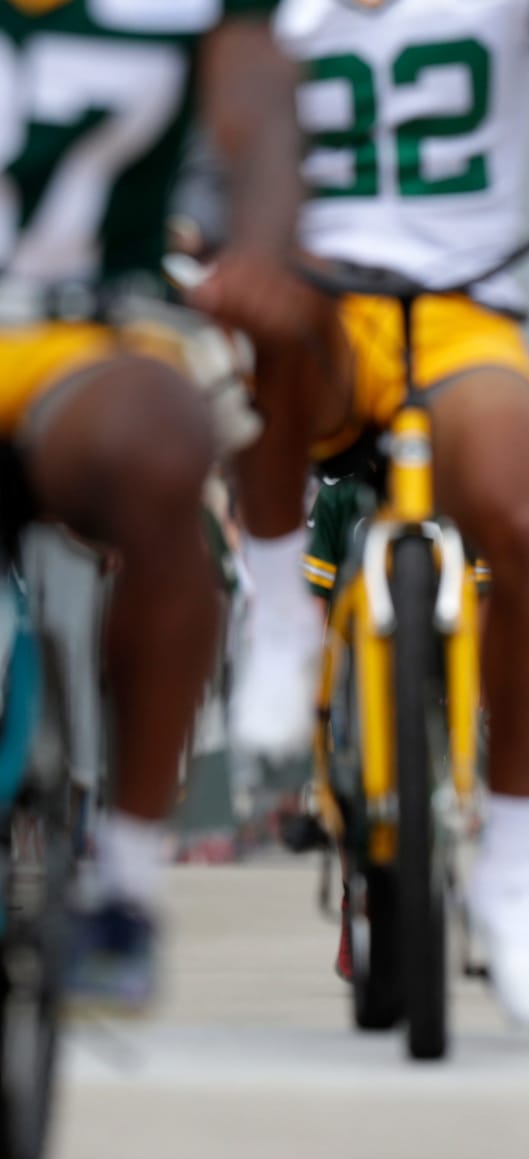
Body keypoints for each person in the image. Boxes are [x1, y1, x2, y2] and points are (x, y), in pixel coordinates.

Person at [271, 0, 529, 1029]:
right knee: (255, 346)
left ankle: (509, 865)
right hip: (317, 295)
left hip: (461, 310)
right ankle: (272, 623)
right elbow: (202, 110)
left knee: (521, 512)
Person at [0, 2, 309, 1008]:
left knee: (166, 443)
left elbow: (257, 111)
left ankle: (126, 884)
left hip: (81, 326)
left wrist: (261, 246)